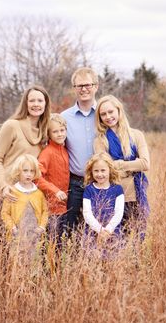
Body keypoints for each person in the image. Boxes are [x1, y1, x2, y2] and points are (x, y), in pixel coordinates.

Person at [0, 84, 51, 231]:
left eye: (40, 101)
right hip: (5, 193)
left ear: (46, 104)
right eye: (32, 101)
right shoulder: (12, 125)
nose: (36, 104)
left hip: (28, 195)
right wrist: (4, 186)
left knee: (26, 246)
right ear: (25, 103)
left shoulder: (45, 131)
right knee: (2, 245)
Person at [94, 95, 150, 241]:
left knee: (138, 236)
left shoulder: (136, 135)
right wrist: (132, 165)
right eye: (103, 114)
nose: (108, 117)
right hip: (113, 194)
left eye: (111, 112)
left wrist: (119, 164)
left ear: (119, 111)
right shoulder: (100, 140)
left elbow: (145, 163)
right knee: (117, 239)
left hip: (136, 193)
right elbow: (104, 169)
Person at [61, 67, 99, 233]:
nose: (84, 89)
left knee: (98, 229)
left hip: (101, 182)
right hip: (74, 183)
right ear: (74, 88)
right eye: (79, 86)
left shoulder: (104, 113)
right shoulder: (64, 117)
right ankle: (70, 260)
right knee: (70, 229)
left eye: (88, 85)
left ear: (96, 86)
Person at [1, 154, 48, 263]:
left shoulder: (38, 193)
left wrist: (41, 227)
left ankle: (32, 279)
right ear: (18, 171)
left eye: (32, 171)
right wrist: (12, 228)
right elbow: (5, 213)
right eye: (25, 170)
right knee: (17, 262)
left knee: (34, 262)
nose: (29, 174)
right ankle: (18, 279)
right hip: (17, 235)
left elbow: (45, 211)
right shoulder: (13, 192)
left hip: (35, 235)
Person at [37, 113, 69, 245]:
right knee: (51, 243)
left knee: (61, 243)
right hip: (52, 208)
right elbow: (37, 178)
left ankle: (59, 266)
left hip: (64, 206)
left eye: (62, 130)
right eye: (55, 132)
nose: (60, 134)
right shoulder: (47, 152)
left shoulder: (65, 150)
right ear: (49, 134)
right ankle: (48, 266)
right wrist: (55, 191)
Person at [83, 152, 124, 255]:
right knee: (94, 259)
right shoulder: (89, 189)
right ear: (91, 172)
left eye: (103, 170)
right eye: (96, 171)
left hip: (112, 231)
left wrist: (108, 231)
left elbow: (119, 213)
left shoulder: (117, 189)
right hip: (93, 232)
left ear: (110, 170)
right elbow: (87, 213)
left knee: (111, 260)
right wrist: (100, 230)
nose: (100, 174)